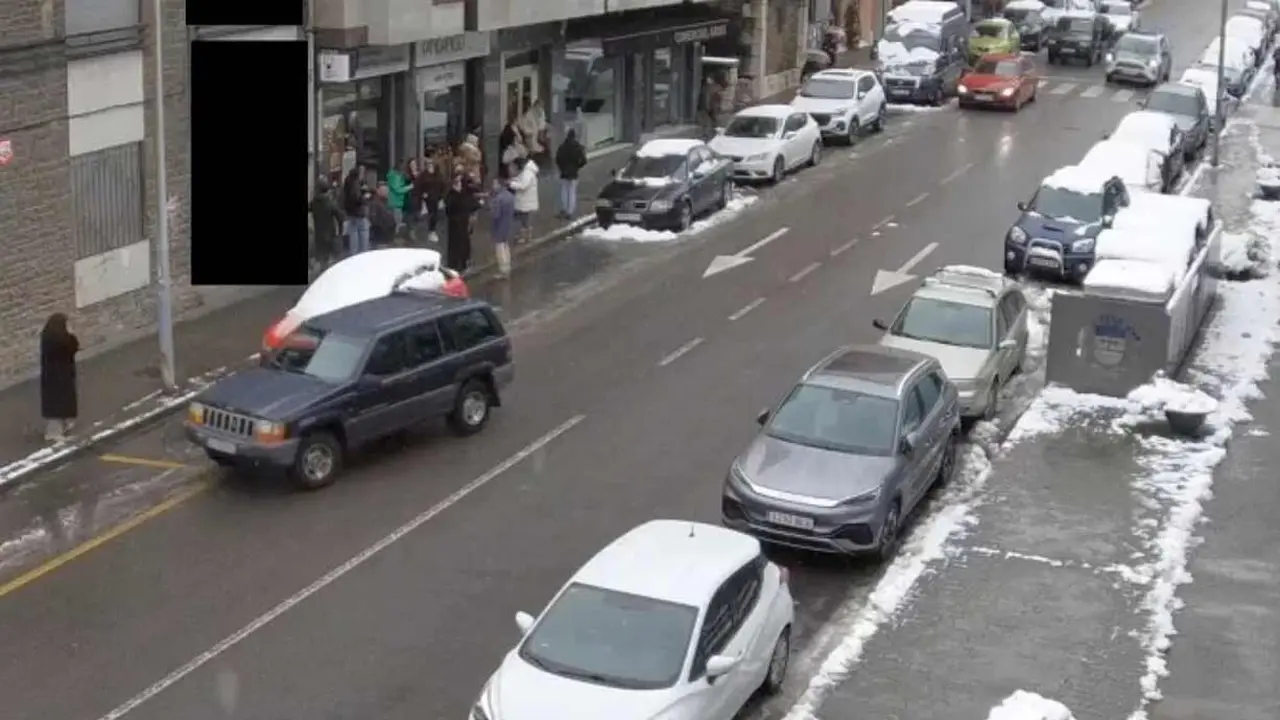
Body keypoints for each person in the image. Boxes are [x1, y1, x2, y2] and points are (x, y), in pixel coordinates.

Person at [39, 313, 79, 443]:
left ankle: (62, 428)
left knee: (61, 404)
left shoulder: (51, 337)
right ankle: (53, 433)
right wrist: (71, 335)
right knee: (57, 406)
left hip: (59, 376)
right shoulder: (57, 340)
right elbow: (73, 347)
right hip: (57, 378)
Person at [309, 176, 345, 267]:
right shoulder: (330, 202)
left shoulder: (314, 203)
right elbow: (341, 217)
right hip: (329, 234)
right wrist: (340, 232)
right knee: (331, 260)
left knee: (322, 259)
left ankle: (322, 273)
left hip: (318, 235)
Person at [445, 173, 478, 269]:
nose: (459, 184)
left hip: (464, 223)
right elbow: (449, 209)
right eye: (457, 182)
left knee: (464, 243)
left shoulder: (463, 194)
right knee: (455, 245)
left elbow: (472, 204)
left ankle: (464, 262)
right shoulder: (451, 196)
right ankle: (454, 264)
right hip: (455, 225)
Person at [554, 129, 587, 220]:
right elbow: (584, 161)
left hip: (564, 172)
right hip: (574, 173)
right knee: (572, 192)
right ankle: (570, 211)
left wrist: (562, 168)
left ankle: (564, 209)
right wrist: (577, 167)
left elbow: (557, 159)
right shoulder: (578, 147)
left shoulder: (562, 146)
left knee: (564, 191)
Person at [509, 155, 540, 244]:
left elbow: (523, 185)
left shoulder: (528, 173)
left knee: (525, 220)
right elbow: (521, 179)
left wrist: (511, 184)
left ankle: (525, 237)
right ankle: (525, 236)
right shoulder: (527, 171)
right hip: (526, 201)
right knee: (524, 220)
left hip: (526, 202)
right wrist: (514, 180)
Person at [341, 163, 371, 254]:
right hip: (359, 213)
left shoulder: (348, 181)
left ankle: (354, 256)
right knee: (363, 233)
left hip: (351, 212)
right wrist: (365, 197)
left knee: (353, 235)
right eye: (362, 172)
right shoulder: (355, 183)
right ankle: (362, 256)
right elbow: (356, 198)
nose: (363, 174)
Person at [489, 178, 516, 278]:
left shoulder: (498, 199)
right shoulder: (510, 196)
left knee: (500, 248)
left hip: (499, 226)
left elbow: (495, 215)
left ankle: (503, 270)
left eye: (494, 184)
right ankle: (507, 267)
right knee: (506, 246)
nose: (493, 186)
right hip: (508, 224)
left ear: (499, 185)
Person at [519, 99, 549, 169]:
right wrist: (531, 133)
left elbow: (542, 124)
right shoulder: (529, 115)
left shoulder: (540, 113)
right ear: (536, 106)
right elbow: (525, 127)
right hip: (530, 137)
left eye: (542, 107)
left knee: (543, 148)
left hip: (536, 137)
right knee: (537, 149)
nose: (541, 108)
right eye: (540, 106)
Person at [369, 183, 398, 248]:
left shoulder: (388, 201)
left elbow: (391, 215)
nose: (386, 192)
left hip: (389, 232)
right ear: (378, 191)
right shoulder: (374, 202)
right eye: (383, 190)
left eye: (386, 190)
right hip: (380, 233)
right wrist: (381, 227)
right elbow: (373, 218)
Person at [498, 112, 525, 179]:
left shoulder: (515, 128)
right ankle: (514, 171)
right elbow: (508, 141)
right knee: (515, 155)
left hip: (514, 147)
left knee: (521, 151)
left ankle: (518, 169)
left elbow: (519, 139)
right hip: (508, 148)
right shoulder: (508, 129)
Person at [386, 160, 411, 229]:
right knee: (397, 224)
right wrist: (409, 187)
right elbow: (398, 189)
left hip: (397, 202)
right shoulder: (395, 176)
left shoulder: (397, 175)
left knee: (397, 222)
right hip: (395, 202)